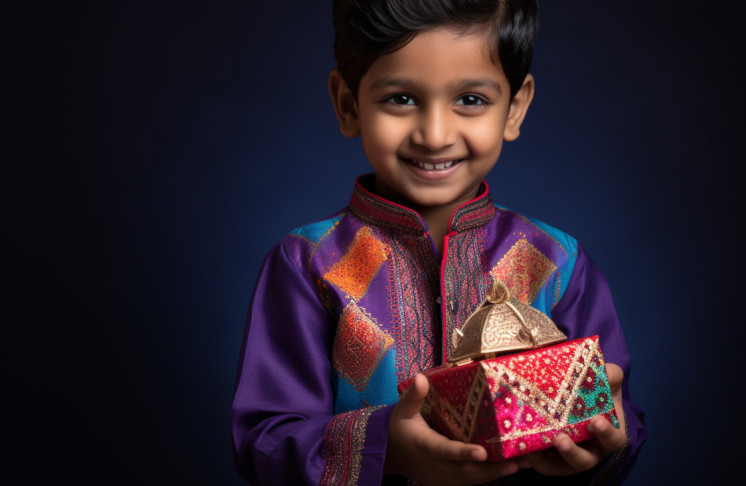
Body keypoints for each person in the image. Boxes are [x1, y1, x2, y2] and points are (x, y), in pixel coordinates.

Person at [232, 1, 647, 484]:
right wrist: (385, 448)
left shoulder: (557, 262)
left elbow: (620, 425)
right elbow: (263, 443)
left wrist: (600, 441)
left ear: (514, 109)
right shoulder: (310, 264)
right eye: (401, 99)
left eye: (470, 99)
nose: (435, 135)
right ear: (348, 105)